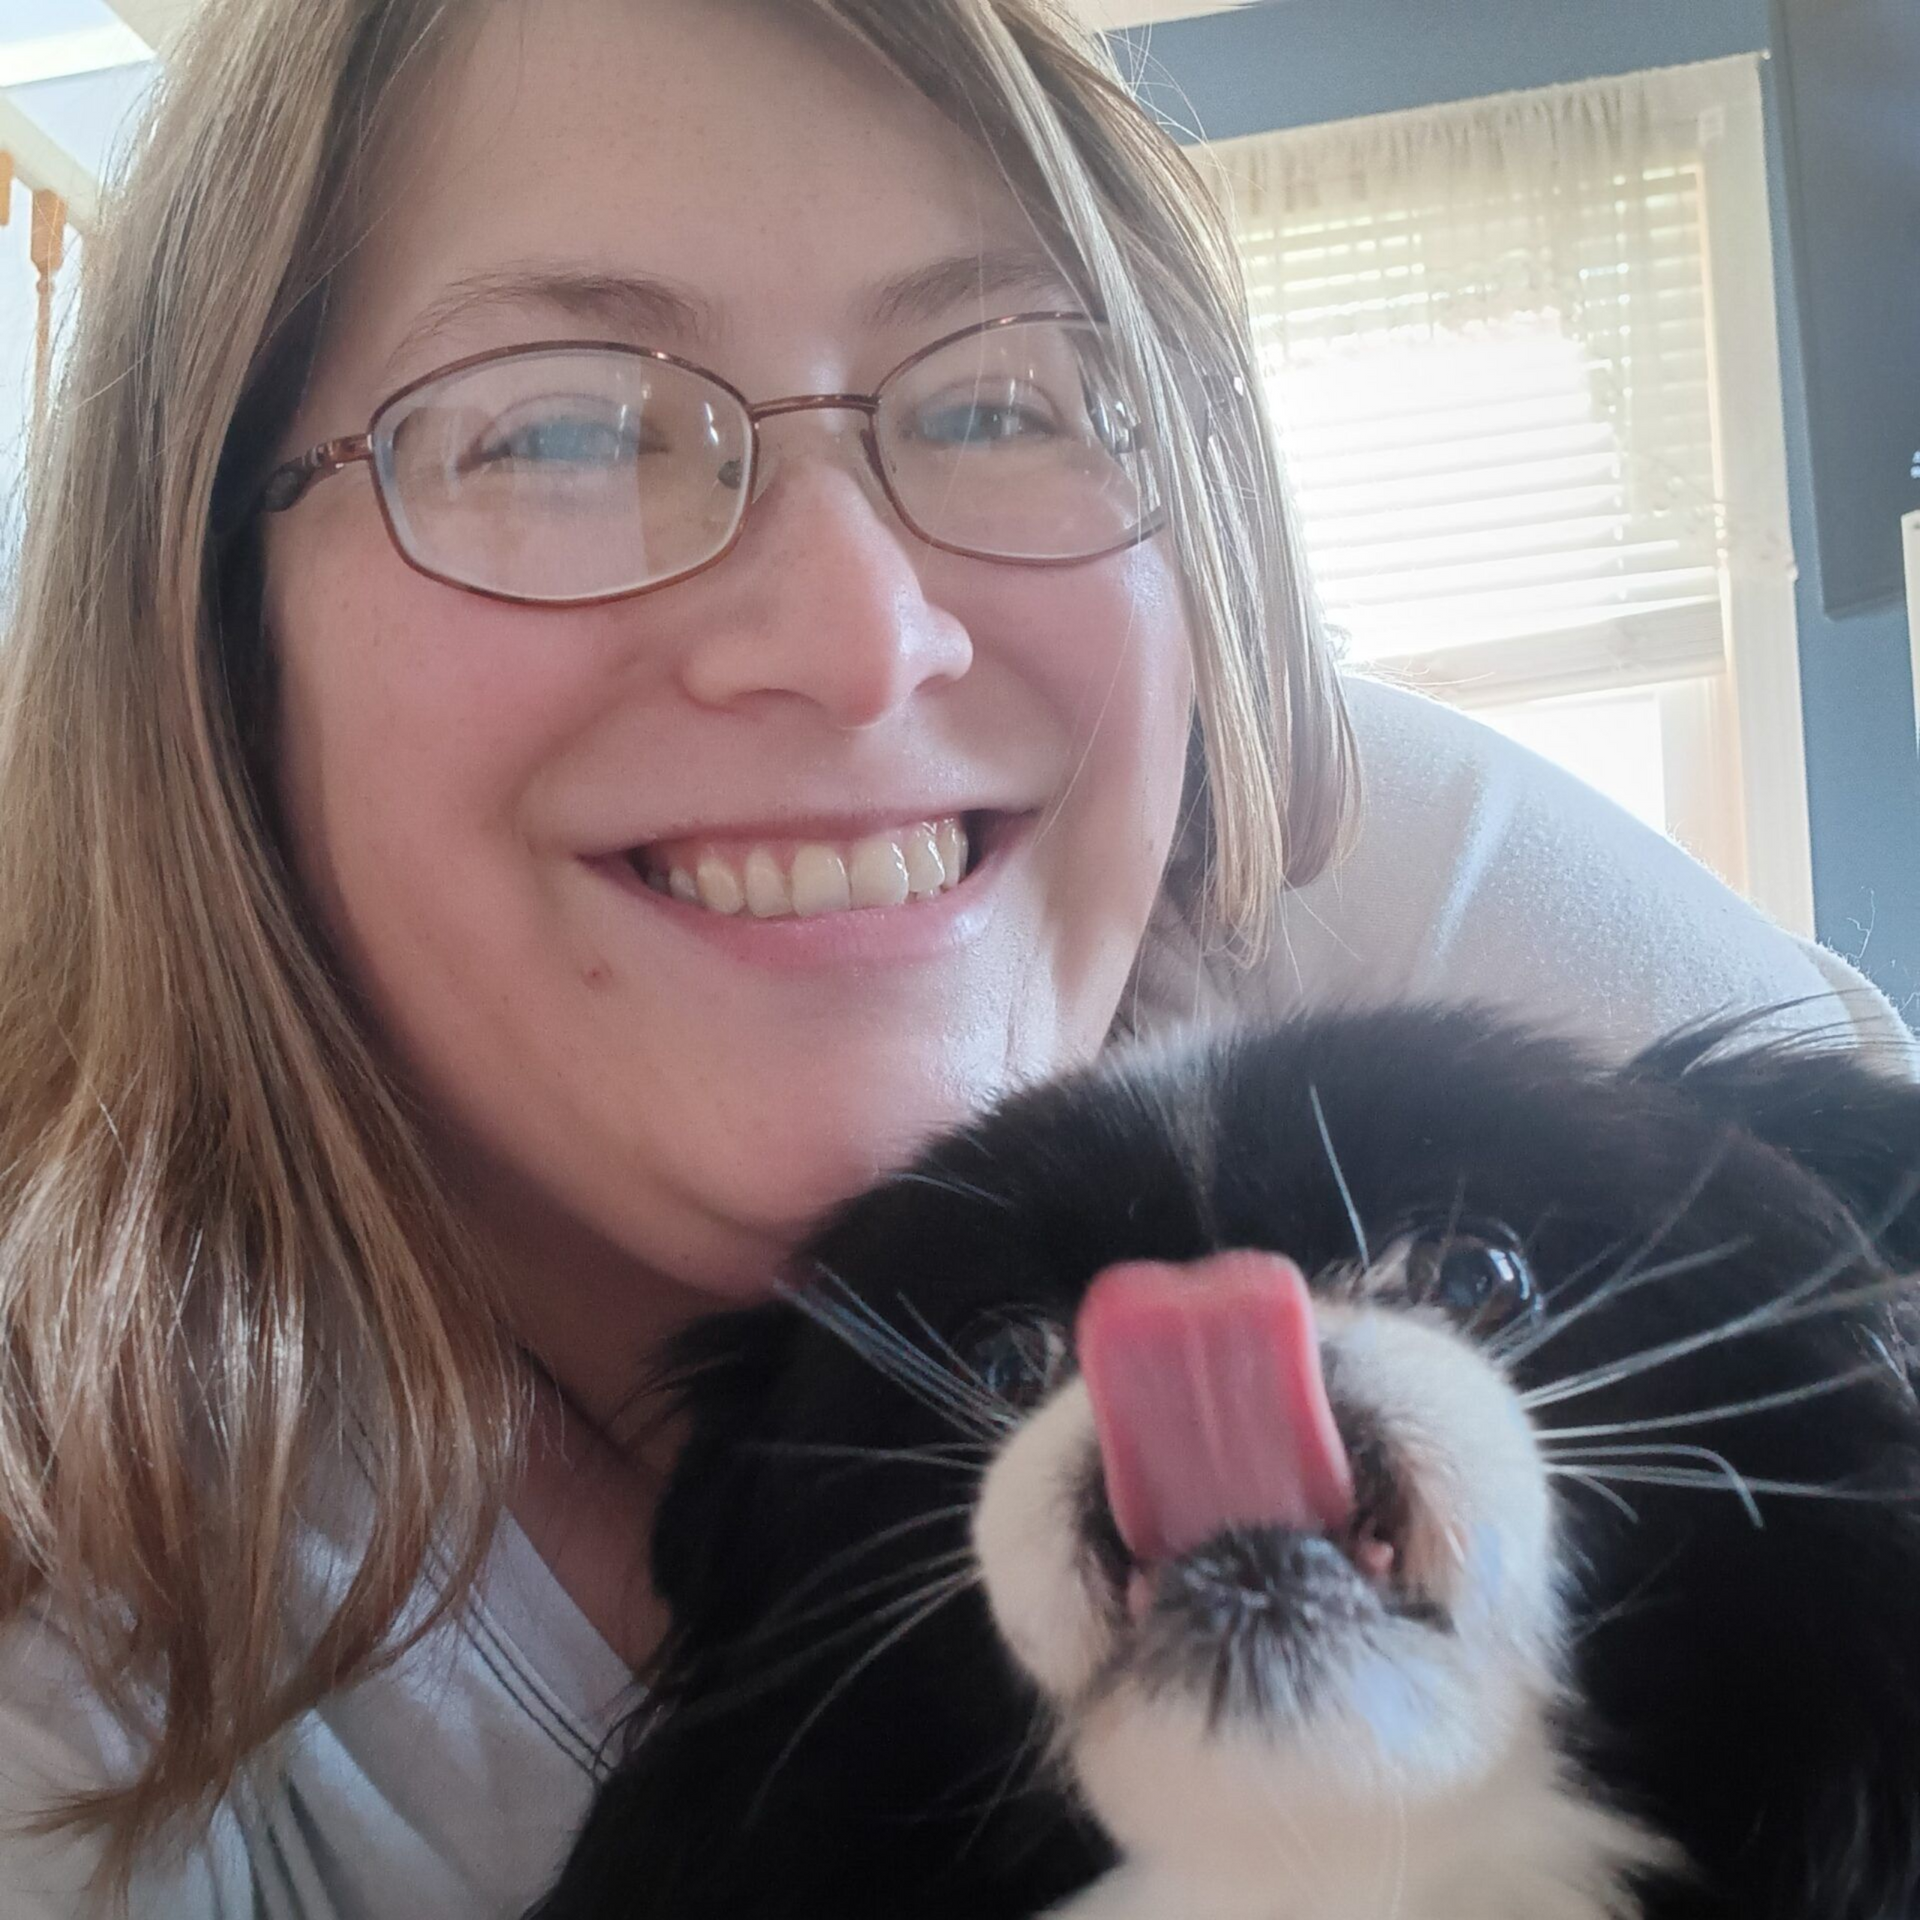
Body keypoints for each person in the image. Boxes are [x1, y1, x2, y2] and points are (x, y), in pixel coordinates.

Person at [0, 0, 1905, 1915]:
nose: (860, 635)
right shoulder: (70, 1619)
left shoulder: (1336, 850)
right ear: (208, 639)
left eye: (1000, 399)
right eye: (557, 428)